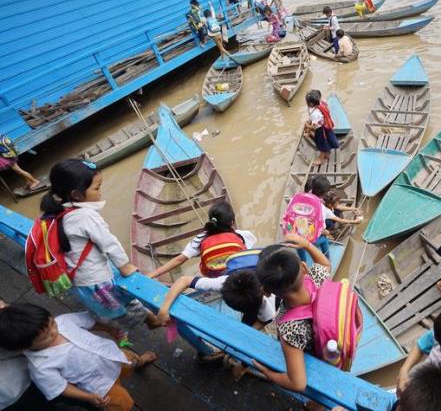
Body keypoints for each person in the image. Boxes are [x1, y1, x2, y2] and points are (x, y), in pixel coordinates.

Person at [37, 159, 160, 335]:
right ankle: (150, 321)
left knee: (111, 305)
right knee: (122, 308)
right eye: (96, 188)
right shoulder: (86, 216)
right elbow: (109, 243)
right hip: (97, 281)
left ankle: (136, 317)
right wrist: (125, 267)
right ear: (76, 195)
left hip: (79, 280)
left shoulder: (56, 212)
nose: (100, 192)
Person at [0, 304, 155, 411]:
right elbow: (60, 388)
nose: (54, 332)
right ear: (25, 347)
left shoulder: (63, 321)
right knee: (123, 403)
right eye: (45, 337)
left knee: (131, 360)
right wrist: (87, 397)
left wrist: (110, 329)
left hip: (112, 356)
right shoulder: (40, 365)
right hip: (100, 385)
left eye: (52, 323)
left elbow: (89, 322)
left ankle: (140, 361)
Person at [251, 235, 331, 391]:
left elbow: (298, 384)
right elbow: (325, 264)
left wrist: (268, 373)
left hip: (317, 353)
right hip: (333, 337)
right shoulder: (318, 278)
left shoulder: (290, 330)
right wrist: (307, 245)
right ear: (303, 267)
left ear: (266, 292)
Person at [147, 201, 256, 280]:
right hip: (240, 278)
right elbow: (247, 258)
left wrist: (152, 275)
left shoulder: (200, 239)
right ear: (232, 222)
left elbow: (179, 260)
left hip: (213, 280)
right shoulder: (243, 236)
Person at [156, 269, 276, 330]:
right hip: (252, 286)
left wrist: (243, 334)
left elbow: (263, 321)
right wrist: (164, 309)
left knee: (248, 323)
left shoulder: (267, 304)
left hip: (261, 299)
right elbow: (184, 281)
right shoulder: (222, 283)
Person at [304, 91, 339, 165]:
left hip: (320, 130)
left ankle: (321, 158)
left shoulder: (315, 114)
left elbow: (314, 127)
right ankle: (328, 152)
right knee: (327, 140)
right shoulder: (321, 103)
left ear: (310, 103)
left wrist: (307, 126)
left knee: (321, 144)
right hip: (326, 128)